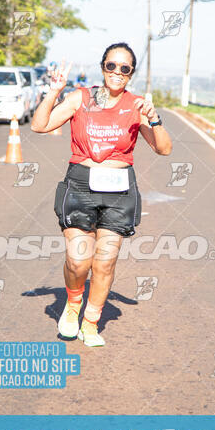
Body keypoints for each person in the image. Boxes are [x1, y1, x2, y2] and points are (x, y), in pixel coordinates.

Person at [31, 43, 172, 347]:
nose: (117, 73)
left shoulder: (136, 105)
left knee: (105, 262)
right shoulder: (81, 98)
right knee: (79, 260)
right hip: (81, 185)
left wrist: (155, 118)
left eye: (125, 68)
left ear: (131, 73)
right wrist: (54, 92)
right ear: (103, 67)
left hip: (119, 191)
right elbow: (39, 125)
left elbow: (164, 149)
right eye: (112, 66)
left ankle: (91, 323)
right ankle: (72, 304)